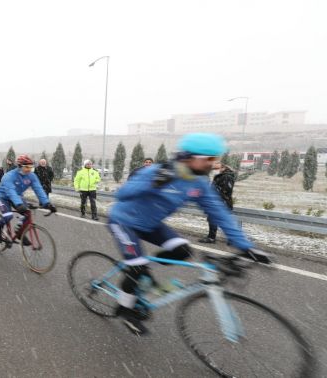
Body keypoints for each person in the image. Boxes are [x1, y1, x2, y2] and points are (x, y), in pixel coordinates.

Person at [107, 133, 271, 335]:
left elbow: (219, 212)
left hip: (150, 224)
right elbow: (122, 194)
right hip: (123, 222)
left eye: (215, 158)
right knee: (137, 268)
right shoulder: (158, 171)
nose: (214, 163)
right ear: (189, 157)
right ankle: (125, 308)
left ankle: (143, 274)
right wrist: (153, 182)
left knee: (182, 251)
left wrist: (246, 247)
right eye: (209, 159)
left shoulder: (198, 183)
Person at [0, 155, 56, 246]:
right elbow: (10, 191)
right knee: (8, 216)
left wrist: (47, 203)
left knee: (27, 213)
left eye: (31, 167)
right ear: (20, 166)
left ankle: (20, 232)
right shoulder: (9, 176)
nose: (29, 169)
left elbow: (38, 189)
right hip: (2, 196)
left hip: (16, 196)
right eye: (27, 167)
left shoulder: (31, 176)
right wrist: (18, 204)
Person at [199, 161, 236, 243]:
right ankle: (212, 237)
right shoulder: (222, 176)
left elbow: (226, 190)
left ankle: (214, 238)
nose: (216, 169)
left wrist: (214, 191)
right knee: (213, 220)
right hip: (218, 202)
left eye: (218, 167)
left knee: (220, 221)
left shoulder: (227, 176)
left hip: (221, 202)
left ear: (223, 167)